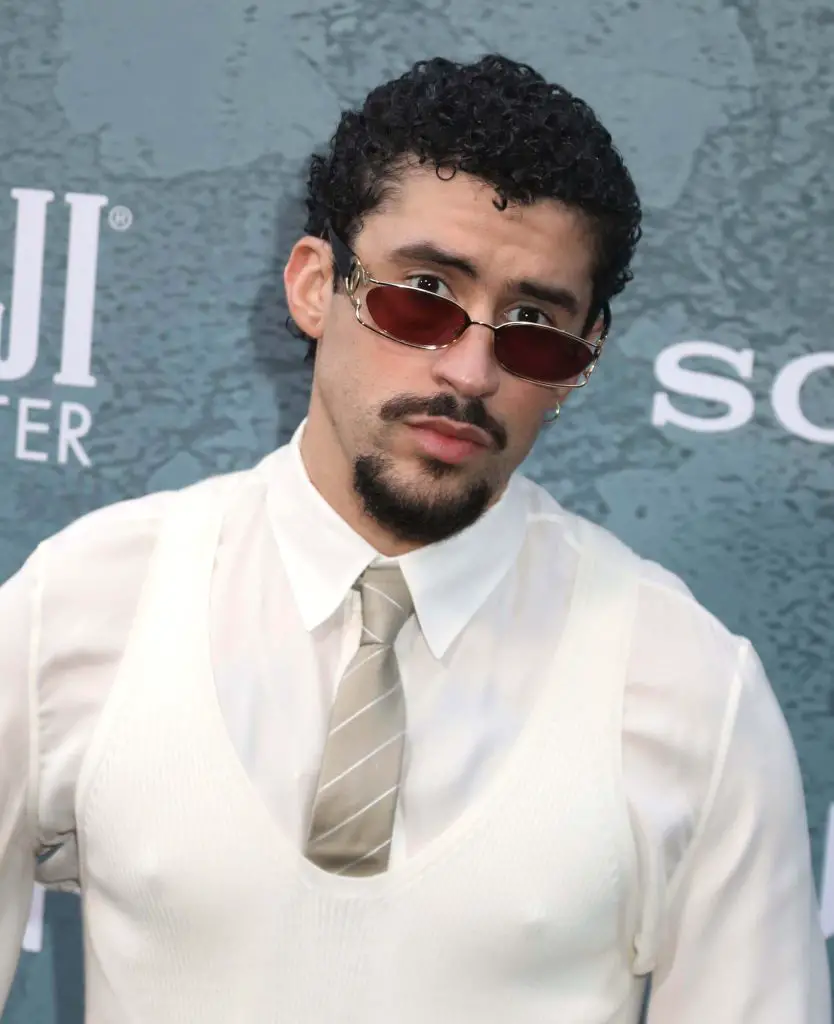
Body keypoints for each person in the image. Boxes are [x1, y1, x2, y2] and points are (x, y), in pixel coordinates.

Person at [0, 53, 829, 1024]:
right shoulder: (86, 605)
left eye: (533, 326)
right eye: (423, 297)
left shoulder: (691, 690)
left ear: (583, 359)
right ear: (316, 286)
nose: (470, 372)